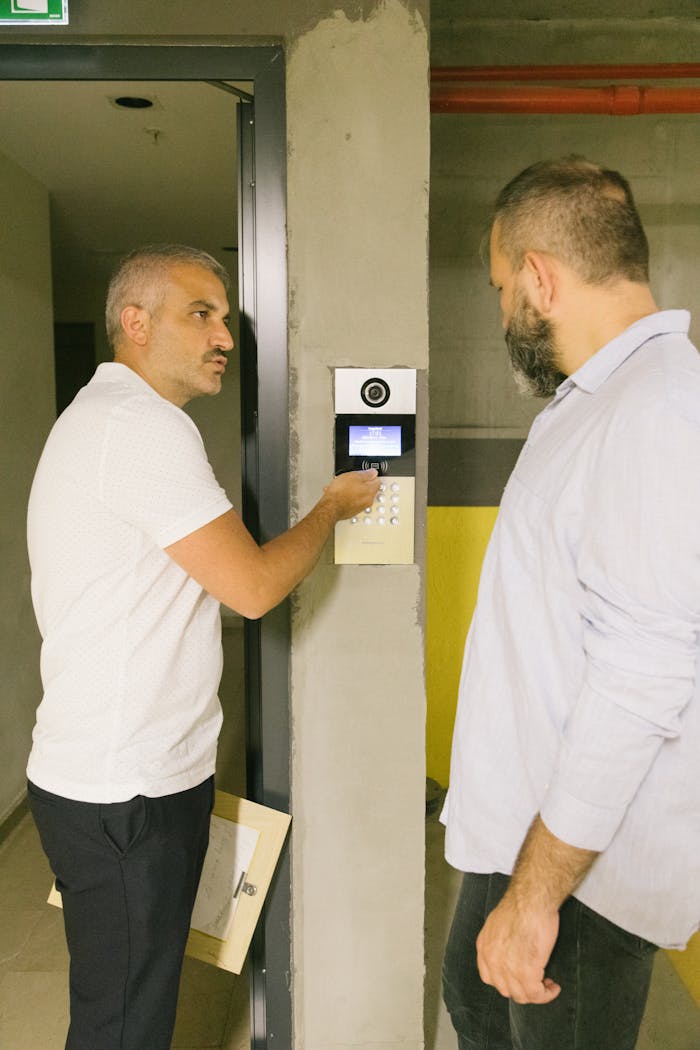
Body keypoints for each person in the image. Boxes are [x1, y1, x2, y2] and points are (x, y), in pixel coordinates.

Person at [26, 243, 380, 1050]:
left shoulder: (101, 420)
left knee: (127, 1006)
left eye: (227, 317)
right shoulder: (141, 428)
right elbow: (252, 587)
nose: (224, 335)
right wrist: (331, 508)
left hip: (111, 779)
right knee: (124, 1026)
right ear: (134, 322)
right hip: (127, 793)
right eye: (201, 313)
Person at [441, 157, 700, 1050]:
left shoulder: (660, 410)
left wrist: (538, 892)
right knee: (473, 1006)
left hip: (581, 871)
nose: (502, 304)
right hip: (530, 832)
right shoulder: (596, 402)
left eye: (501, 284)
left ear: (541, 278)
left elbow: (644, 673)